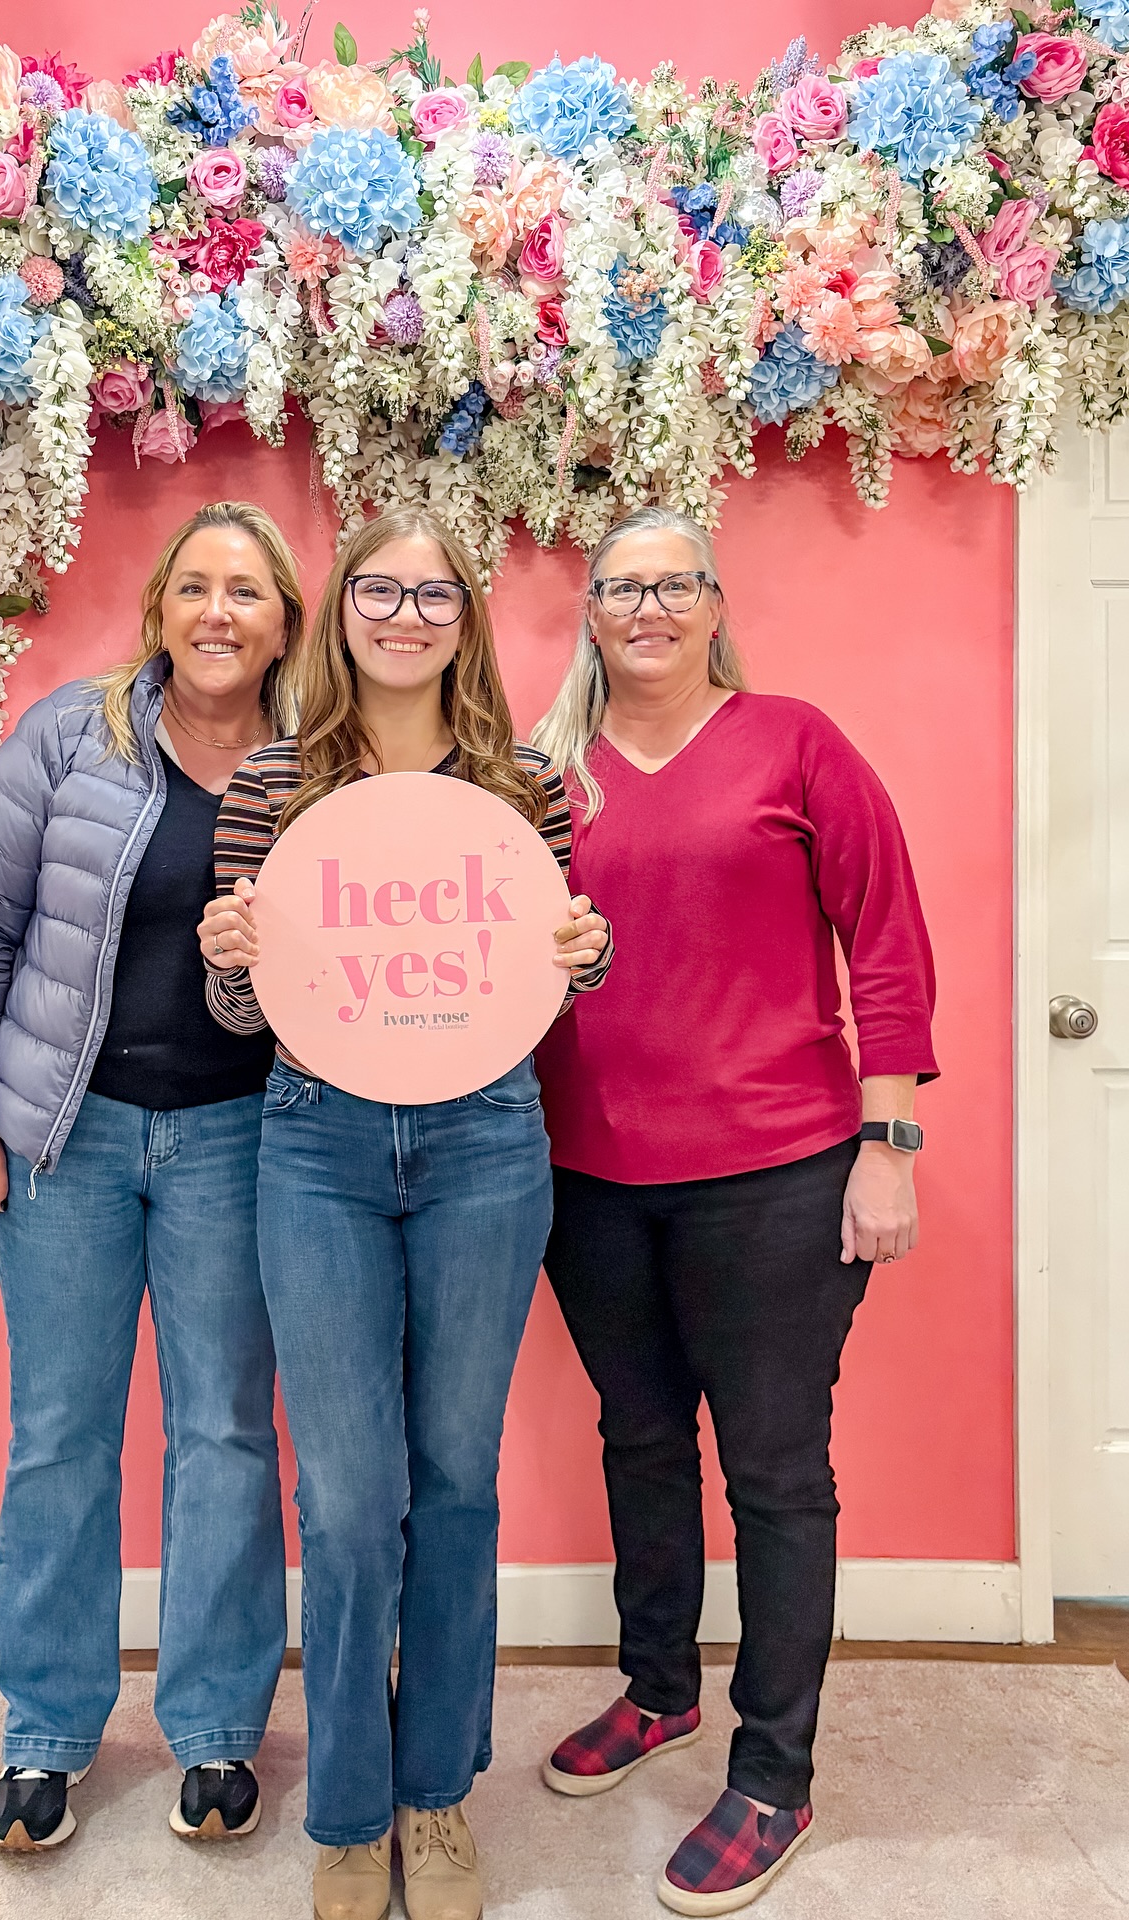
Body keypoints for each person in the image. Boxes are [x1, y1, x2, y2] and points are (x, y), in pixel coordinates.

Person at [198, 504, 611, 1920]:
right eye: (379, 589)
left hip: (486, 1141)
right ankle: (349, 1811)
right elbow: (240, 1010)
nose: (405, 615)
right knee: (351, 1494)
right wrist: (229, 954)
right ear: (343, 610)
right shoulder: (271, 782)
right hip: (313, 1140)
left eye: (435, 596)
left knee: (457, 1479)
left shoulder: (526, 787)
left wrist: (589, 949)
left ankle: (437, 1799)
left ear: (466, 623)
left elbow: (550, 980)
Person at [530, 506, 937, 1916]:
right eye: (621, 587)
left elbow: (884, 939)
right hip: (586, 1177)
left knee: (772, 1471)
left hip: (776, 1171)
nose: (647, 607)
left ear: (713, 603)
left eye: (673, 584)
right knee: (639, 1437)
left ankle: (776, 1769)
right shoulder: (547, 773)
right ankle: (659, 1692)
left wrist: (888, 1145)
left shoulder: (796, 743)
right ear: (591, 612)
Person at [0, 501, 305, 1854]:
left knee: (224, 1438)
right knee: (60, 1438)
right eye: (194, 585)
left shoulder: (316, 765)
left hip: (239, 1144)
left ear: (282, 624)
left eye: (246, 591)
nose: (217, 611)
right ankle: (46, 1733)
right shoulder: (68, 736)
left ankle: (213, 1731)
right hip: (63, 1140)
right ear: (159, 609)